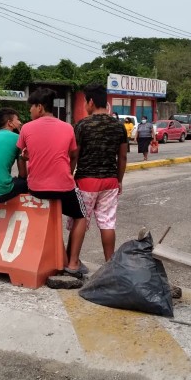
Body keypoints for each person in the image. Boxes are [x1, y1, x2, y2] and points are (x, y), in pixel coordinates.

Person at [16, 87, 87, 275]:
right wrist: (69, 174)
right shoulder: (67, 127)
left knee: (49, 218)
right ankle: (72, 263)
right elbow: (73, 154)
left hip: (37, 188)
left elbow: (23, 155)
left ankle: (57, 257)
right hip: (63, 187)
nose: (30, 111)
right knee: (81, 216)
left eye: (31, 107)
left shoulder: (26, 128)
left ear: (39, 107)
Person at [73, 83, 128, 262]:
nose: (84, 106)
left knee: (80, 219)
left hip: (86, 181)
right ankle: (109, 264)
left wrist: (69, 175)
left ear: (91, 102)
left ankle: (72, 262)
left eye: (84, 103)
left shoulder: (82, 125)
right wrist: (118, 180)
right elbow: (122, 157)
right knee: (107, 223)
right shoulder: (119, 126)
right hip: (110, 181)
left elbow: (74, 155)